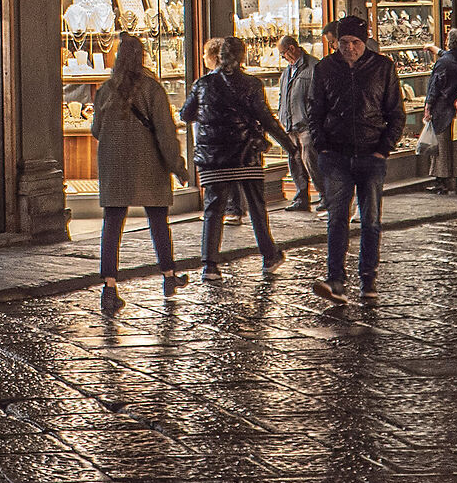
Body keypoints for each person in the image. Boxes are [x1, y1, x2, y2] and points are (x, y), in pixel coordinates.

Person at [306, 15, 403, 305]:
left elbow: (395, 112)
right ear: (337, 42)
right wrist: (321, 145)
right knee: (337, 219)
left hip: (371, 154)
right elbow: (315, 110)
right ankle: (335, 280)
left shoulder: (382, 68)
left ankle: (368, 280)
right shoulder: (325, 68)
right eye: (344, 42)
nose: (349, 48)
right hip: (335, 155)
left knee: (371, 220)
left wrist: (383, 148)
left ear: (365, 42)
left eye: (355, 43)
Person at [90, 34, 188, 311]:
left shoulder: (106, 90)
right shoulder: (152, 90)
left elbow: (96, 130)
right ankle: (168, 276)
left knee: (112, 226)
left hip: (115, 167)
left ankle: (109, 287)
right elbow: (166, 134)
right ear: (142, 57)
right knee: (158, 220)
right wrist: (178, 167)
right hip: (149, 165)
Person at [180, 37, 290, 277]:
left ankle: (210, 264)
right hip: (245, 154)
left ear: (219, 56)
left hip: (213, 157)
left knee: (213, 209)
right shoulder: (252, 84)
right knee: (257, 208)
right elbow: (267, 119)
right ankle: (269, 256)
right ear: (242, 57)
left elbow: (185, 114)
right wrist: (290, 147)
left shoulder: (202, 84)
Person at [424, 31, 457, 194]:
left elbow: (435, 85)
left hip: (442, 108)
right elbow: (449, 56)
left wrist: (428, 105)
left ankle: (442, 183)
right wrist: (434, 49)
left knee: (441, 147)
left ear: (449, 42)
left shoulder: (443, 63)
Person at [274, 36, 316, 211]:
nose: (283, 57)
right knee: (295, 162)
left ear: (291, 49)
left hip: (306, 124)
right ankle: (301, 197)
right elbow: (283, 96)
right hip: (290, 124)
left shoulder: (313, 67)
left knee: (311, 161)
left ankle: (324, 196)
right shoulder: (287, 71)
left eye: (283, 54)